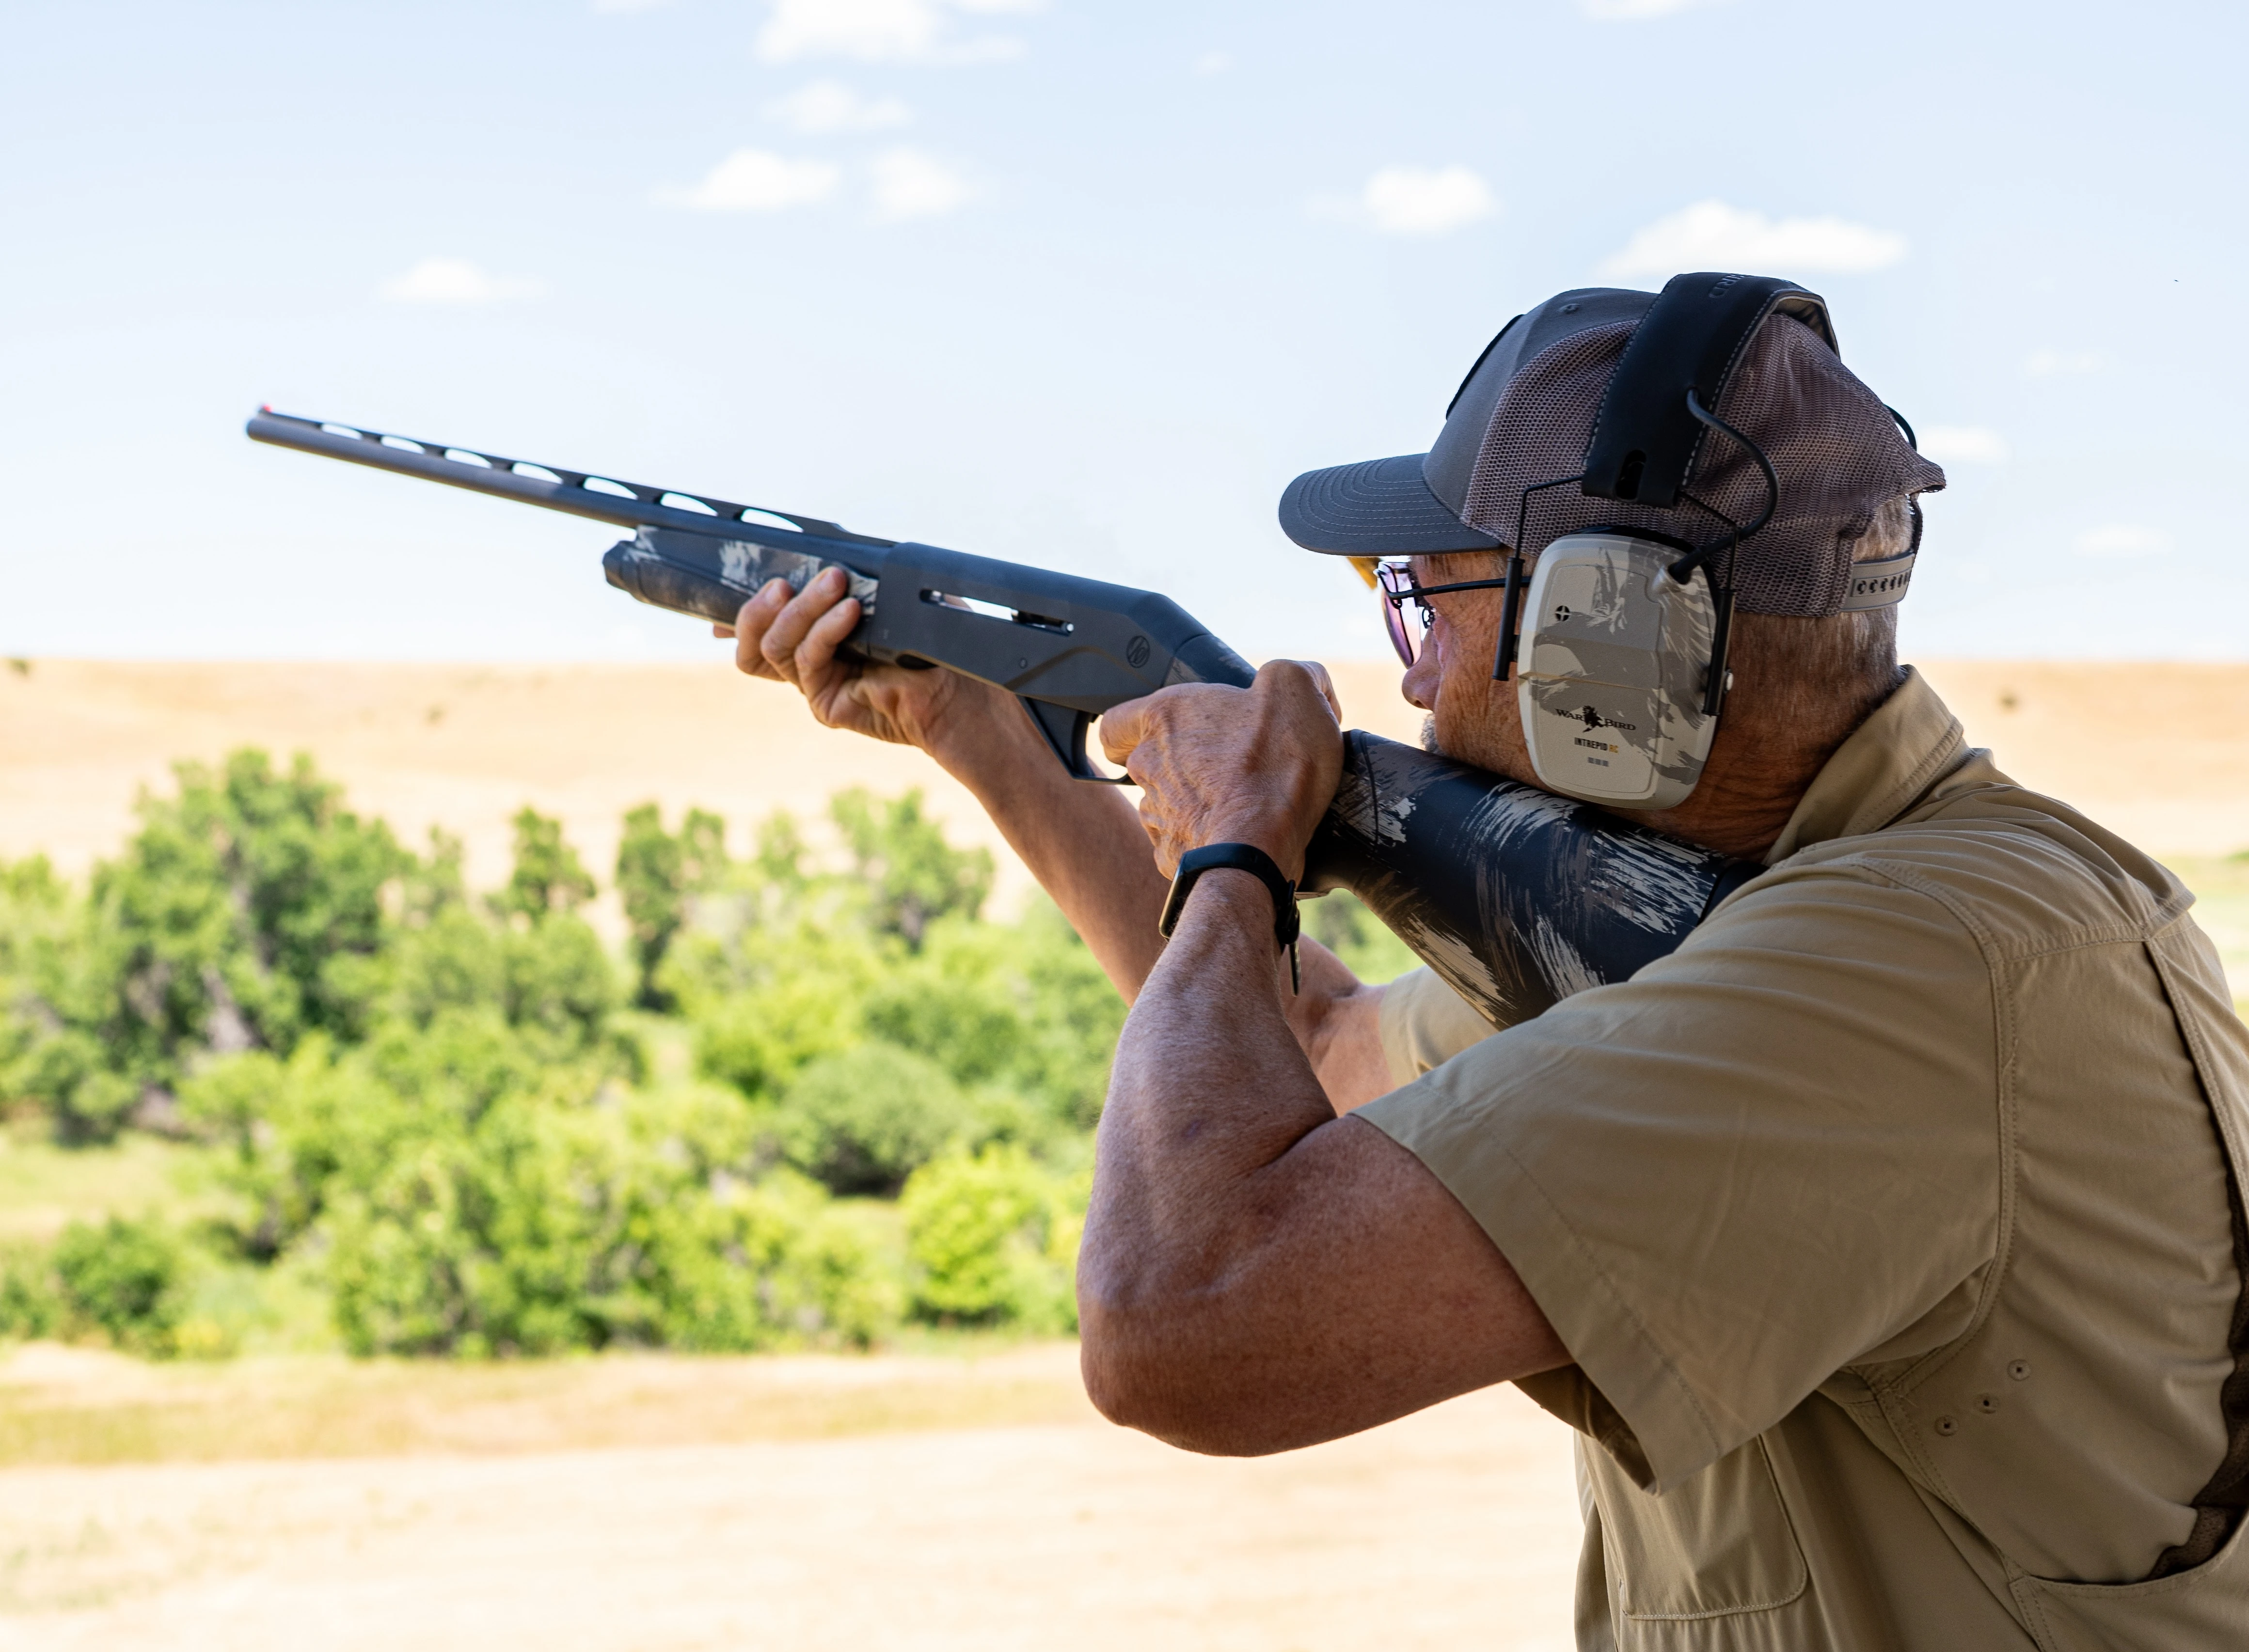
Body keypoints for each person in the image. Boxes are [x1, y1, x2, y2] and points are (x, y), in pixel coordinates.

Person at [719, 285, 2249, 1648]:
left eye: (1424, 598)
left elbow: (1187, 1323)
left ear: (1615, 641)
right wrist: (983, 731)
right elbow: (1310, 1058)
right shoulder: (1761, 933)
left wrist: (1239, 845)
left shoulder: (1911, 971)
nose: (1406, 674)